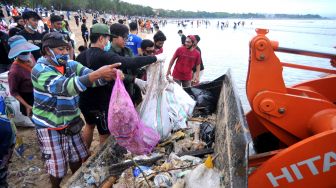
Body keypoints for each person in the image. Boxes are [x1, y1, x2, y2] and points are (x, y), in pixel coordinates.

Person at [31, 32, 121, 188]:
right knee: (58, 169)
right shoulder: (39, 70)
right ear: (47, 50)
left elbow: (90, 79)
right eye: (60, 49)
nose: (65, 52)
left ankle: (76, 181)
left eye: (67, 48)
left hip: (71, 122)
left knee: (77, 158)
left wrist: (108, 76)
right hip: (50, 126)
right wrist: (97, 74)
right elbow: (65, 87)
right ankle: (56, 186)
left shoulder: (71, 65)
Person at [76, 23, 165, 150]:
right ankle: (102, 160)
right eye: (107, 38)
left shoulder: (81, 55)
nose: (108, 41)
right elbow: (130, 62)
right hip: (100, 103)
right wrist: (155, 58)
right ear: (101, 38)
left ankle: (84, 156)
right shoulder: (104, 56)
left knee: (89, 126)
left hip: (84, 100)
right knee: (104, 133)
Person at [8, 35, 39, 117]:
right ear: (16, 54)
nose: (26, 54)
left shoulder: (30, 56)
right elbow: (13, 92)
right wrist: (27, 106)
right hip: (28, 98)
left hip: (38, 93)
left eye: (27, 50)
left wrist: (33, 66)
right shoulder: (14, 71)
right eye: (22, 52)